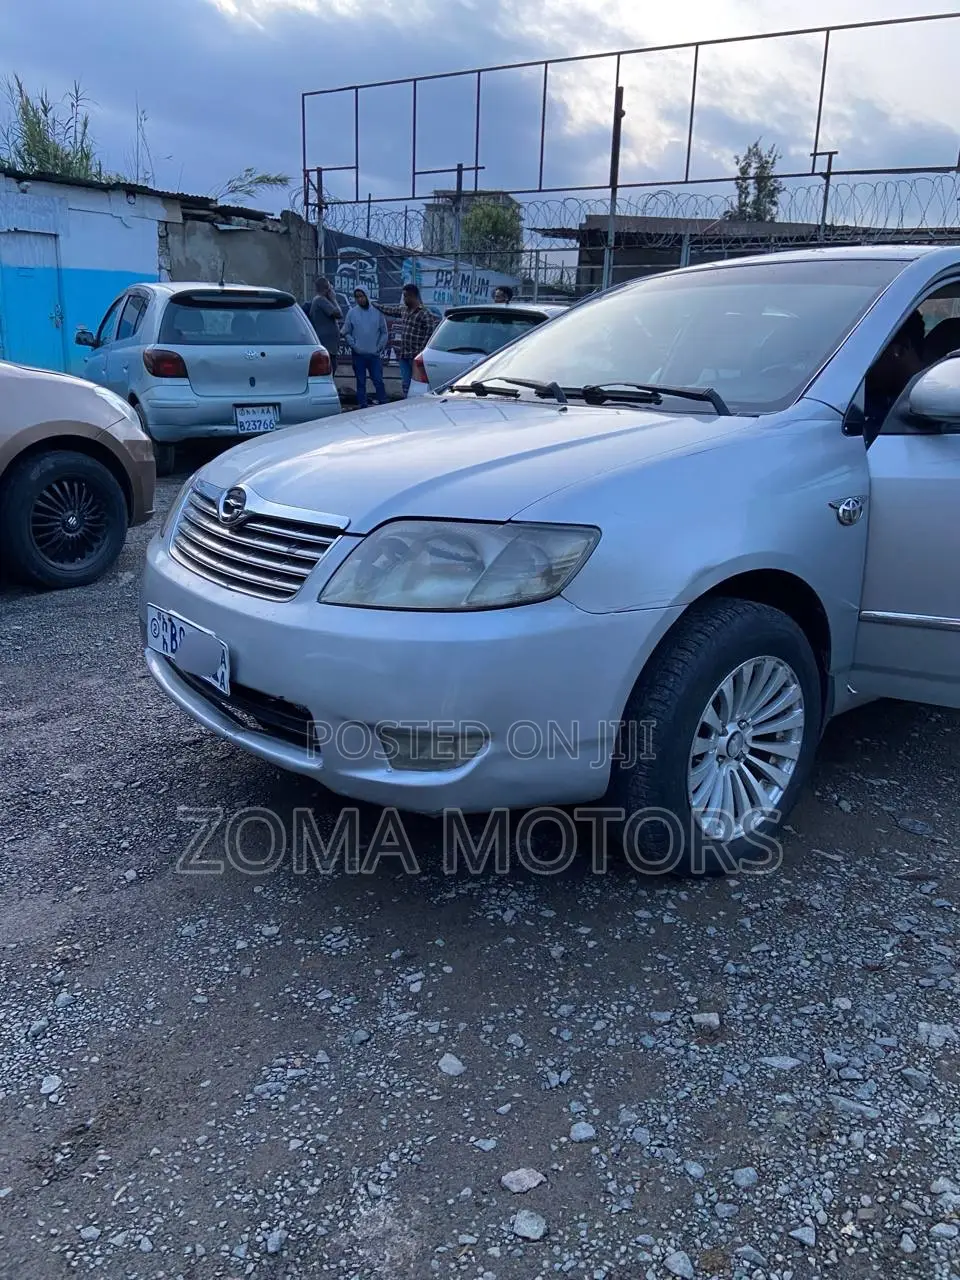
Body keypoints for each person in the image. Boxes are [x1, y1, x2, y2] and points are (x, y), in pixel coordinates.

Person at [375, 283, 438, 396]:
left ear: (413, 296)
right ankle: (406, 404)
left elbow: (430, 334)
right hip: (404, 356)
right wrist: (375, 305)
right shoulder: (404, 310)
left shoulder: (424, 313)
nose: (404, 299)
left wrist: (421, 353)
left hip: (416, 357)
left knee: (418, 385)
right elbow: (390, 310)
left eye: (405, 296)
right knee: (405, 384)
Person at [342, 288, 388, 409]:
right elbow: (346, 332)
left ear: (367, 296)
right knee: (361, 382)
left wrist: (379, 347)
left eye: (362, 296)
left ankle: (384, 405)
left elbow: (384, 332)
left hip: (374, 355)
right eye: (357, 297)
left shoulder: (377, 312)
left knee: (378, 380)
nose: (360, 299)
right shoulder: (352, 313)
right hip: (358, 355)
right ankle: (362, 406)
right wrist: (354, 345)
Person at [307, 278, 343, 377]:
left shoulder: (318, 300)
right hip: (327, 346)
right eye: (331, 288)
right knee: (329, 372)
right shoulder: (320, 300)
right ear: (327, 289)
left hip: (328, 346)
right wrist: (334, 299)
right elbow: (339, 314)